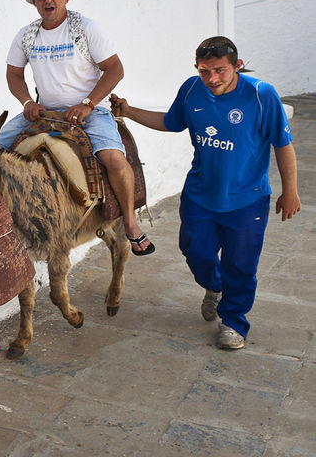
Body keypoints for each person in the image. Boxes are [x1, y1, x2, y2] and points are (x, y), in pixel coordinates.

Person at [110, 36, 301, 350]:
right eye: (204, 71)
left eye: (220, 70)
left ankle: (234, 322)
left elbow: (283, 145)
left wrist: (289, 191)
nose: (212, 78)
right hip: (200, 195)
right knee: (194, 251)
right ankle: (215, 286)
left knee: (241, 265)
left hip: (247, 199)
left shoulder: (261, 95)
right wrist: (129, 111)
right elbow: (171, 122)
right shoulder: (191, 89)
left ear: (237, 66)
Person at [0, 0, 155, 256]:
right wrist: (27, 103)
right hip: (44, 112)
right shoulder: (26, 35)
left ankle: (130, 223)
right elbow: (13, 74)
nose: (48, 0)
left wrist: (88, 103)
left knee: (114, 158)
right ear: (34, 1)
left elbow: (114, 69)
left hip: (90, 111)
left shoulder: (86, 28)